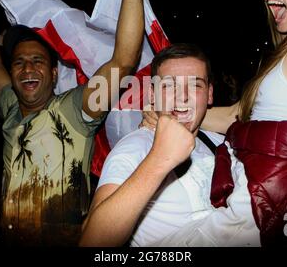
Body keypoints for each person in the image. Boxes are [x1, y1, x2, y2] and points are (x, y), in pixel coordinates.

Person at [143, 0, 287, 246]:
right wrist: (171, 113)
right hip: (245, 208)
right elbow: (234, 115)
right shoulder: (286, 60)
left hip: (255, 219)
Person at [0, 0, 149, 246]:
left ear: (55, 74)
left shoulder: (74, 111)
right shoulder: (10, 107)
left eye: (38, 61)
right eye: (19, 62)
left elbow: (123, 60)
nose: (27, 68)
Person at [79, 43, 260, 247]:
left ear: (209, 94)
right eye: (169, 85)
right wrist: (159, 160)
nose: (182, 96)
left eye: (195, 85)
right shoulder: (136, 147)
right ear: (152, 95)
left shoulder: (219, 142)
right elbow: (92, 241)